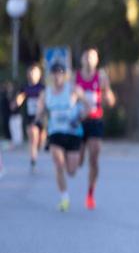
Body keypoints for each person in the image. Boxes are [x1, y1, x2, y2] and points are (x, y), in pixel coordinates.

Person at [40, 62, 92, 211]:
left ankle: (80, 154)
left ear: (64, 75)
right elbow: (40, 110)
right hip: (55, 133)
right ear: (50, 75)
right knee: (58, 163)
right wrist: (37, 120)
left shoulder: (73, 90)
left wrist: (80, 117)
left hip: (73, 133)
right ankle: (64, 198)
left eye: (60, 72)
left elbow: (88, 106)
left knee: (71, 171)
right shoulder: (46, 92)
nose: (57, 76)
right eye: (54, 73)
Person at [75, 48, 117, 210]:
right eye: (86, 57)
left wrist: (108, 95)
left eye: (92, 57)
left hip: (95, 121)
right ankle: (78, 155)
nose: (89, 60)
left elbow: (110, 100)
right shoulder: (76, 77)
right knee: (78, 162)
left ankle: (90, 193)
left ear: (97, 61)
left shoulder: (101, 77)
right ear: (82, 60)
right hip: (78, 122)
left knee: (94, 157)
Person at [13, 64, 46, 171]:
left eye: (35, 72)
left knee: (40, 141)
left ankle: (37, 149)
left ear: (39, 74)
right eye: (31, 72)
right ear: (28, 74)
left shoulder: (42, 87)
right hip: (29, 116)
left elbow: (45, 100)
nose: (33, 75)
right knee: (33, 137)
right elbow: (20, 97)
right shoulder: (25, 87)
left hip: (41, 117)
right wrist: (17, 102)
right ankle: (33, 160)